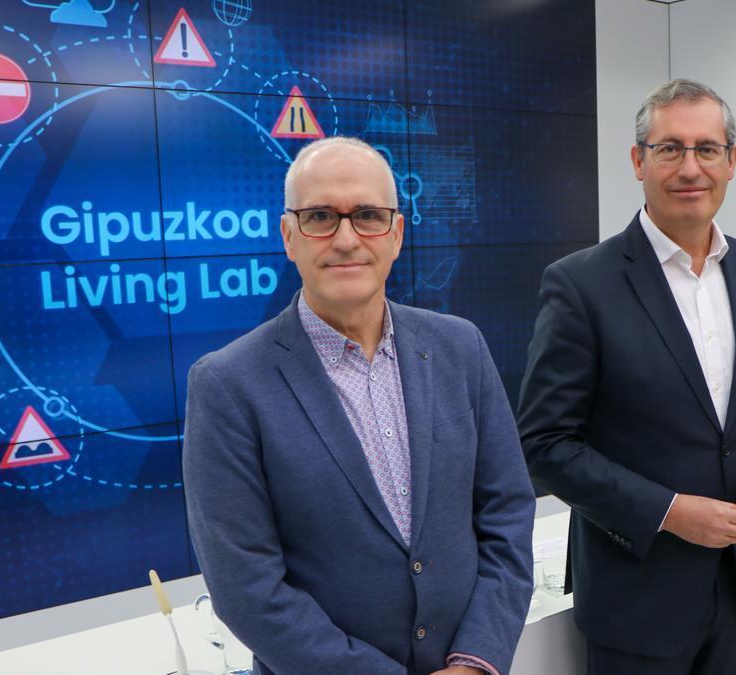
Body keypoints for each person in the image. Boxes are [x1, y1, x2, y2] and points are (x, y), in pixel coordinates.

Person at [182, 136, 535, 675]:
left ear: (395, 234)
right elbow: (248, 591)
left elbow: (506, 513)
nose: (346, 239)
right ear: (289, 236)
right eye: (321, 216)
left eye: (368, 215)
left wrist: (475, 660)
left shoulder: (460, 346)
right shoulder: (228, 385)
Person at [517, 79, 736, 674]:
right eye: (670, 149)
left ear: (732, 162)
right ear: (639, 161)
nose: (691, 167)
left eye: (707, 149)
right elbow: (545, 445)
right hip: (638, 597)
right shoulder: (581, 284)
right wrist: (669, 511)